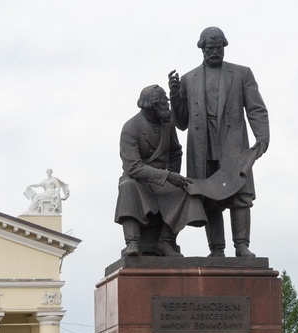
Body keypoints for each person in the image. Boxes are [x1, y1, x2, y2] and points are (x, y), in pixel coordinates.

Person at [169, 26, 270, 257]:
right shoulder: (188, 79)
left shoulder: (242, 74)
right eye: (210, 49)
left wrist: (262, 137)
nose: (214, 52)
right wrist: (175, 95)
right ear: (202, 49)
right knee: (209, 197)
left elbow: (256, 109)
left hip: (233, 146)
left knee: (240, 196)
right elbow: (181, 122)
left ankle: (242, 245)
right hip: (202, 147)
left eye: (218, 48)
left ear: (224, 47)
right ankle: (217, 249)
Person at [114, 85, 206, 257]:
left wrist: (174, 177)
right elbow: (132, 167)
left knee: (188, 190)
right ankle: (132, 242)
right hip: (138, 181)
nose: (166, 108)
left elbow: (175, 152)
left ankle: (165, 242)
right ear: (151, 107)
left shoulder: (167, 123)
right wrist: (167, 176)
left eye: (166, 103)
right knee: (127, 186)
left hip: (160, 181)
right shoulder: (131, 127)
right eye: (162, 105)